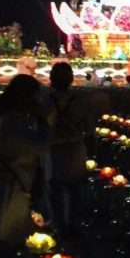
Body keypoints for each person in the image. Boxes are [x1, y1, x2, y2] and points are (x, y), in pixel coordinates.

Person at [0, 75, 48, 249]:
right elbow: (37, 147)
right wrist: (43, 122)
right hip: (15, 181)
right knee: (9, 229)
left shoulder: (6, 117)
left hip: (10, 179)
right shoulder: (14, 121)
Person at [42, 62, 90, 236]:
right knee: (76, 187)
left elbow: (40, 125)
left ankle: (59, 225)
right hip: (75, 146)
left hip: (54, 148)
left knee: (54, 188)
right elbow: (89, 125)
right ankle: (75, 224)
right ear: (71, 78)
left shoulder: (45, 100)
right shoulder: (81, 100)